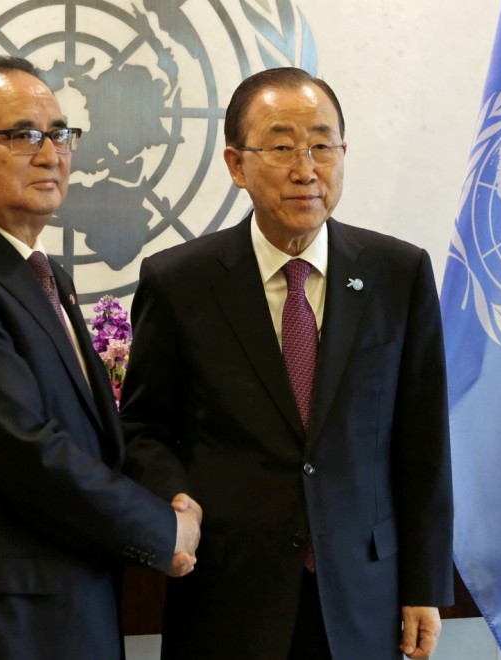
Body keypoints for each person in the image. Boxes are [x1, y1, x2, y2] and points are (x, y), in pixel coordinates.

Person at [0, 55, 201, 660]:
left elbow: (91, 441)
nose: (51, 154)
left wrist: (170, 490)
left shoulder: (46, 275)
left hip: (71, 613)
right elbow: (24, 449)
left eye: (60, 133)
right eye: (23, 135)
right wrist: (162, 529)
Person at [120, 67, 453, 660]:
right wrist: (173, 498)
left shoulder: (397, 273)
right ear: (235, 163)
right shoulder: (179, 281)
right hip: (228, 593)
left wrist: (424, 585)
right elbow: (145, 428)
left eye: (323, 145)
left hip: (363, 595)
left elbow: (423, 444)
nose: (306, 169)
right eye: (280, 147)